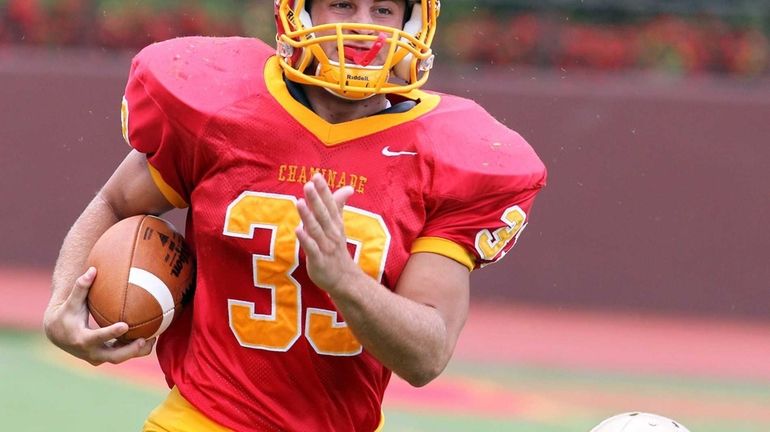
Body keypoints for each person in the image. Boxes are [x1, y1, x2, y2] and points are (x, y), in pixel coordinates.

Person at [43, 0, 547, 430]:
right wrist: (64, 301)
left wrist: (345, 282)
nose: (364, 25)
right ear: (300, 11)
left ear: (412, 25)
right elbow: (114, 203)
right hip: (203, 419)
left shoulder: (451, 152)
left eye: (384, 8)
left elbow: (427, 355)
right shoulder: (224, 105)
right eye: (344, 4)